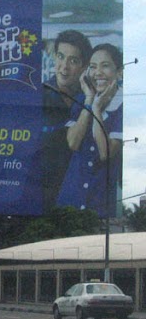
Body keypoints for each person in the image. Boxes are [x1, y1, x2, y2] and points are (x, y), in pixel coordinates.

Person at [57, 43, 123, 215]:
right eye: (93, 67)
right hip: (69, 202)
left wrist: (97, 109)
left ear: (120, 72)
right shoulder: (82, 100)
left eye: (105, 66)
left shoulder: (122, 107)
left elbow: (104, 152)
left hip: (100, 206)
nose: (98, 73)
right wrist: (89, 100)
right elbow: (73, 142)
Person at [41, 30, 93, 211]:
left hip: (81, 199)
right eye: (61, 57)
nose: (64, 67)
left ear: (84, 67)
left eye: (73, 61)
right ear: (54, 57)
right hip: (39, 193)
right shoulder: (40, 95)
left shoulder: (90, 96)